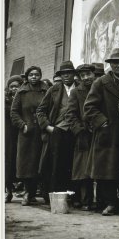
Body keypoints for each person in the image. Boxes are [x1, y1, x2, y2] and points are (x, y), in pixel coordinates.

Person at [84, 48, 119, 216]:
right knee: (107, 170)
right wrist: (102, 122)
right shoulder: (101, 82)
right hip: (108, 133)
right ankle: (110, 202)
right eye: (115, 63)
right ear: (110, 65)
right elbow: (89, 108)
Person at [36, 61, 78, 199]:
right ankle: (55, 196)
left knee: (74, 164)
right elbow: (40, 111)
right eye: (63, 73)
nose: (66, 76)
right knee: (56, 164)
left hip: (76, 131)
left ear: (74, 74)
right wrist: (48, 127)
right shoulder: (53, 90)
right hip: (58, 131)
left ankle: (74, 197)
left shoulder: (81, 88)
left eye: (69, 73)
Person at [10, 66, 48, 206]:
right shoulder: (21, 92)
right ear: (27, 77)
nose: (34, 77)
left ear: (40, 76)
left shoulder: (46, 91)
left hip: (42, 132)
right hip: (26, 133)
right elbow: (14, 112)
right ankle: (28, 192)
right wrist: (22, 125)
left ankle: (44, 193)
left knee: (41, 162)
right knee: (26, 164)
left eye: (37, 74)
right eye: (31, 75)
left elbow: (50, 108)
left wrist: (46, 125)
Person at [65, 64, 96, 211]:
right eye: (82, 75)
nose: (86, 78)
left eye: (88, 74)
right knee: (83, 170)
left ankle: (100, 200)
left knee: (99, 167)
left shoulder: (99, 88)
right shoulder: (76, 92)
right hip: (83, 135)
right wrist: (79, 130)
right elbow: (70, 114)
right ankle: (85, 201)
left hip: (99, 132)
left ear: (93, 74)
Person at [5, 75, 23, 203]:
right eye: (12, 87)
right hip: (8, 134)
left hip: (21, 133)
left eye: (16, 86)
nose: (14, 89)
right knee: (8, 161)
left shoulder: (23, 99)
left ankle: (25, 190)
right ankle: (8, 191)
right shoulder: (4, 100)